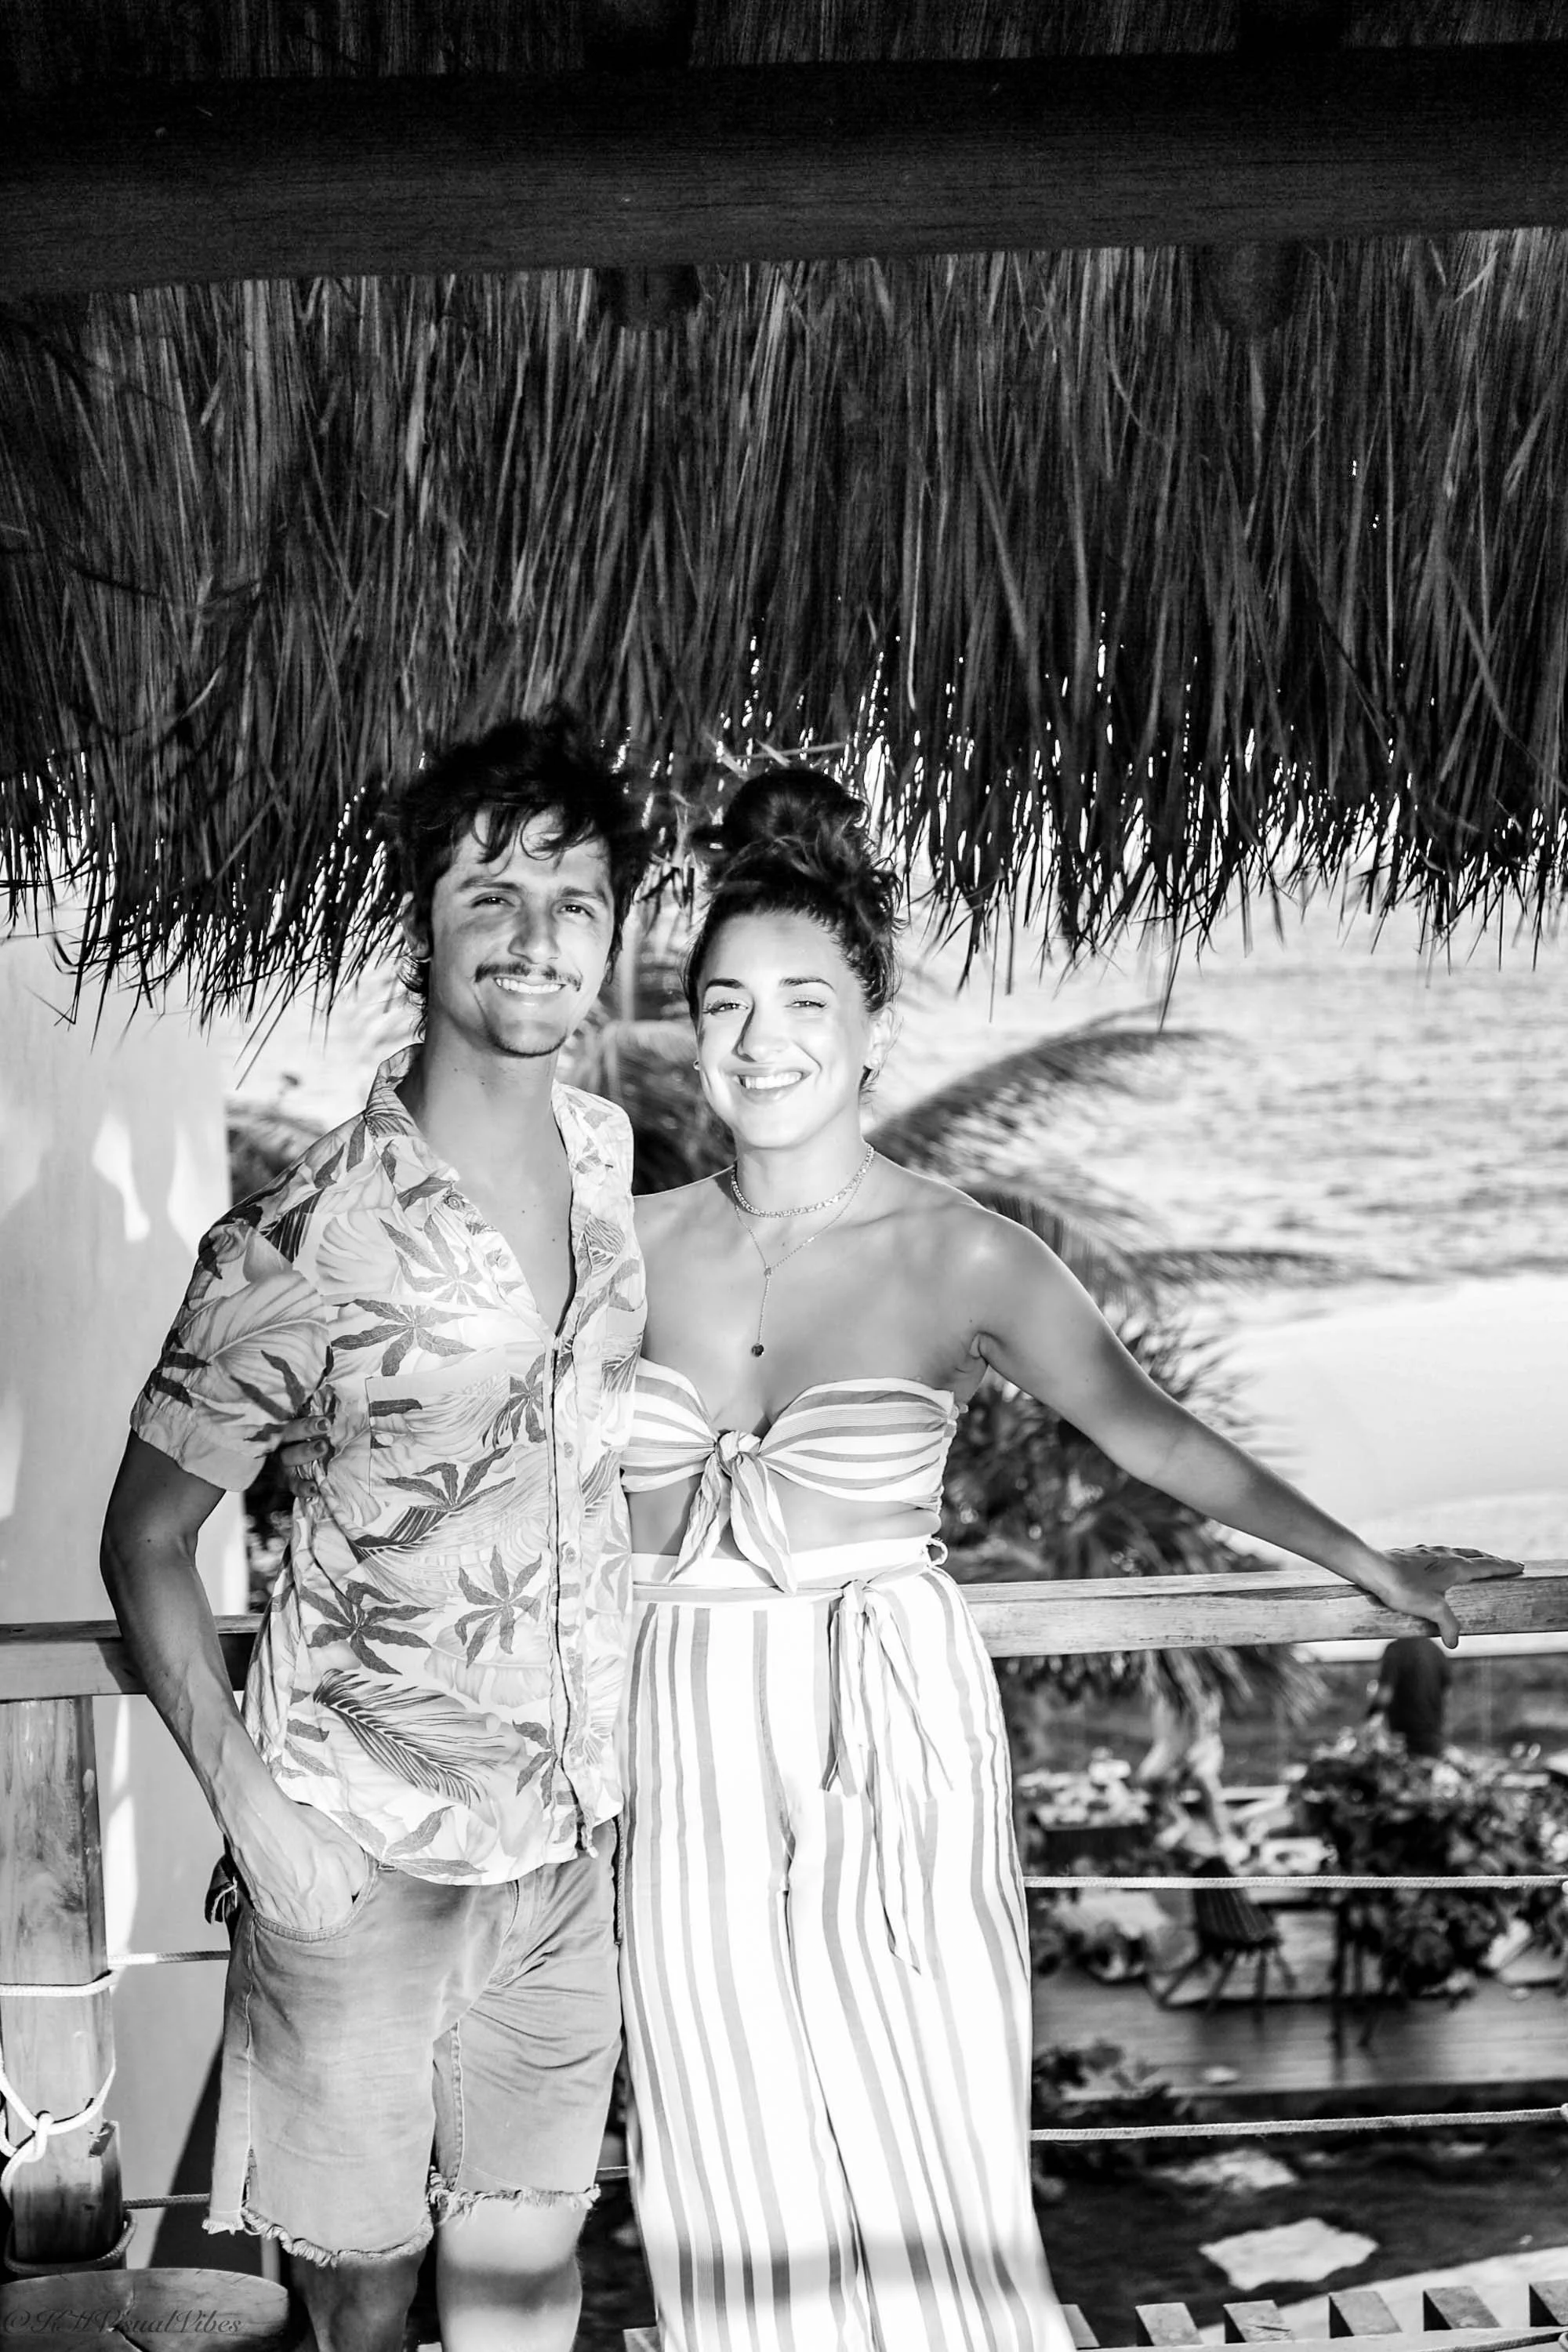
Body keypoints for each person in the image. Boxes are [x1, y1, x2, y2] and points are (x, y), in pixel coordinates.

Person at [279, 767, 1512, 2352]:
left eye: (802, 1000)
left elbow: (1158, 1440)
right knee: (726, 2172)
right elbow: (463, 1450)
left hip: (894, 1730)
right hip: (686, 1730)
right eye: (723, 1004)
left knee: (926, 2155)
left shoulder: (965, 1251)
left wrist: (1367, 1560)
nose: (758, 1039)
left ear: (871, 1024)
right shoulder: (621, 1243)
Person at [100, 709, 651, 2352]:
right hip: (362, 1850)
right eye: (492, 895)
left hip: (566, 1847)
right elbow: (142, 1541)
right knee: (363, 2311)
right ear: (419, 924)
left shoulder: (606, 1157)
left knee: (526, 2293)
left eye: (576, 901)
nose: (537, 939)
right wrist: (254, 1818)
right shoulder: (298, 1238)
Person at [1369, 1631, 1451, 1758]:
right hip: (1432, 1736)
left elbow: (1385, 1693)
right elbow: (1447, 1693)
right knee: (1428, 1771)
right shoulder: (1437, 1650)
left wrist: (1370, 1717)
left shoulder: (1395, 1649)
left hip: (1403, 1739)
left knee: (1404, 1772)